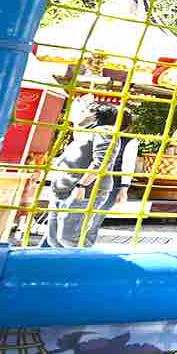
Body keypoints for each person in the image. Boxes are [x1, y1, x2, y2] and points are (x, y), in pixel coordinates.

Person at [42, 94, 136, 247]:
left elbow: (102, 161)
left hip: (83, 190)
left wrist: (82, 185)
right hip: (63, 189)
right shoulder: (86, 133)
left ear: (97, 116)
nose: (83, 113)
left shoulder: (105, 132)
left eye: (88, 111)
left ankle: (87, 266)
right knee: (54, 239)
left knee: (69, 238)